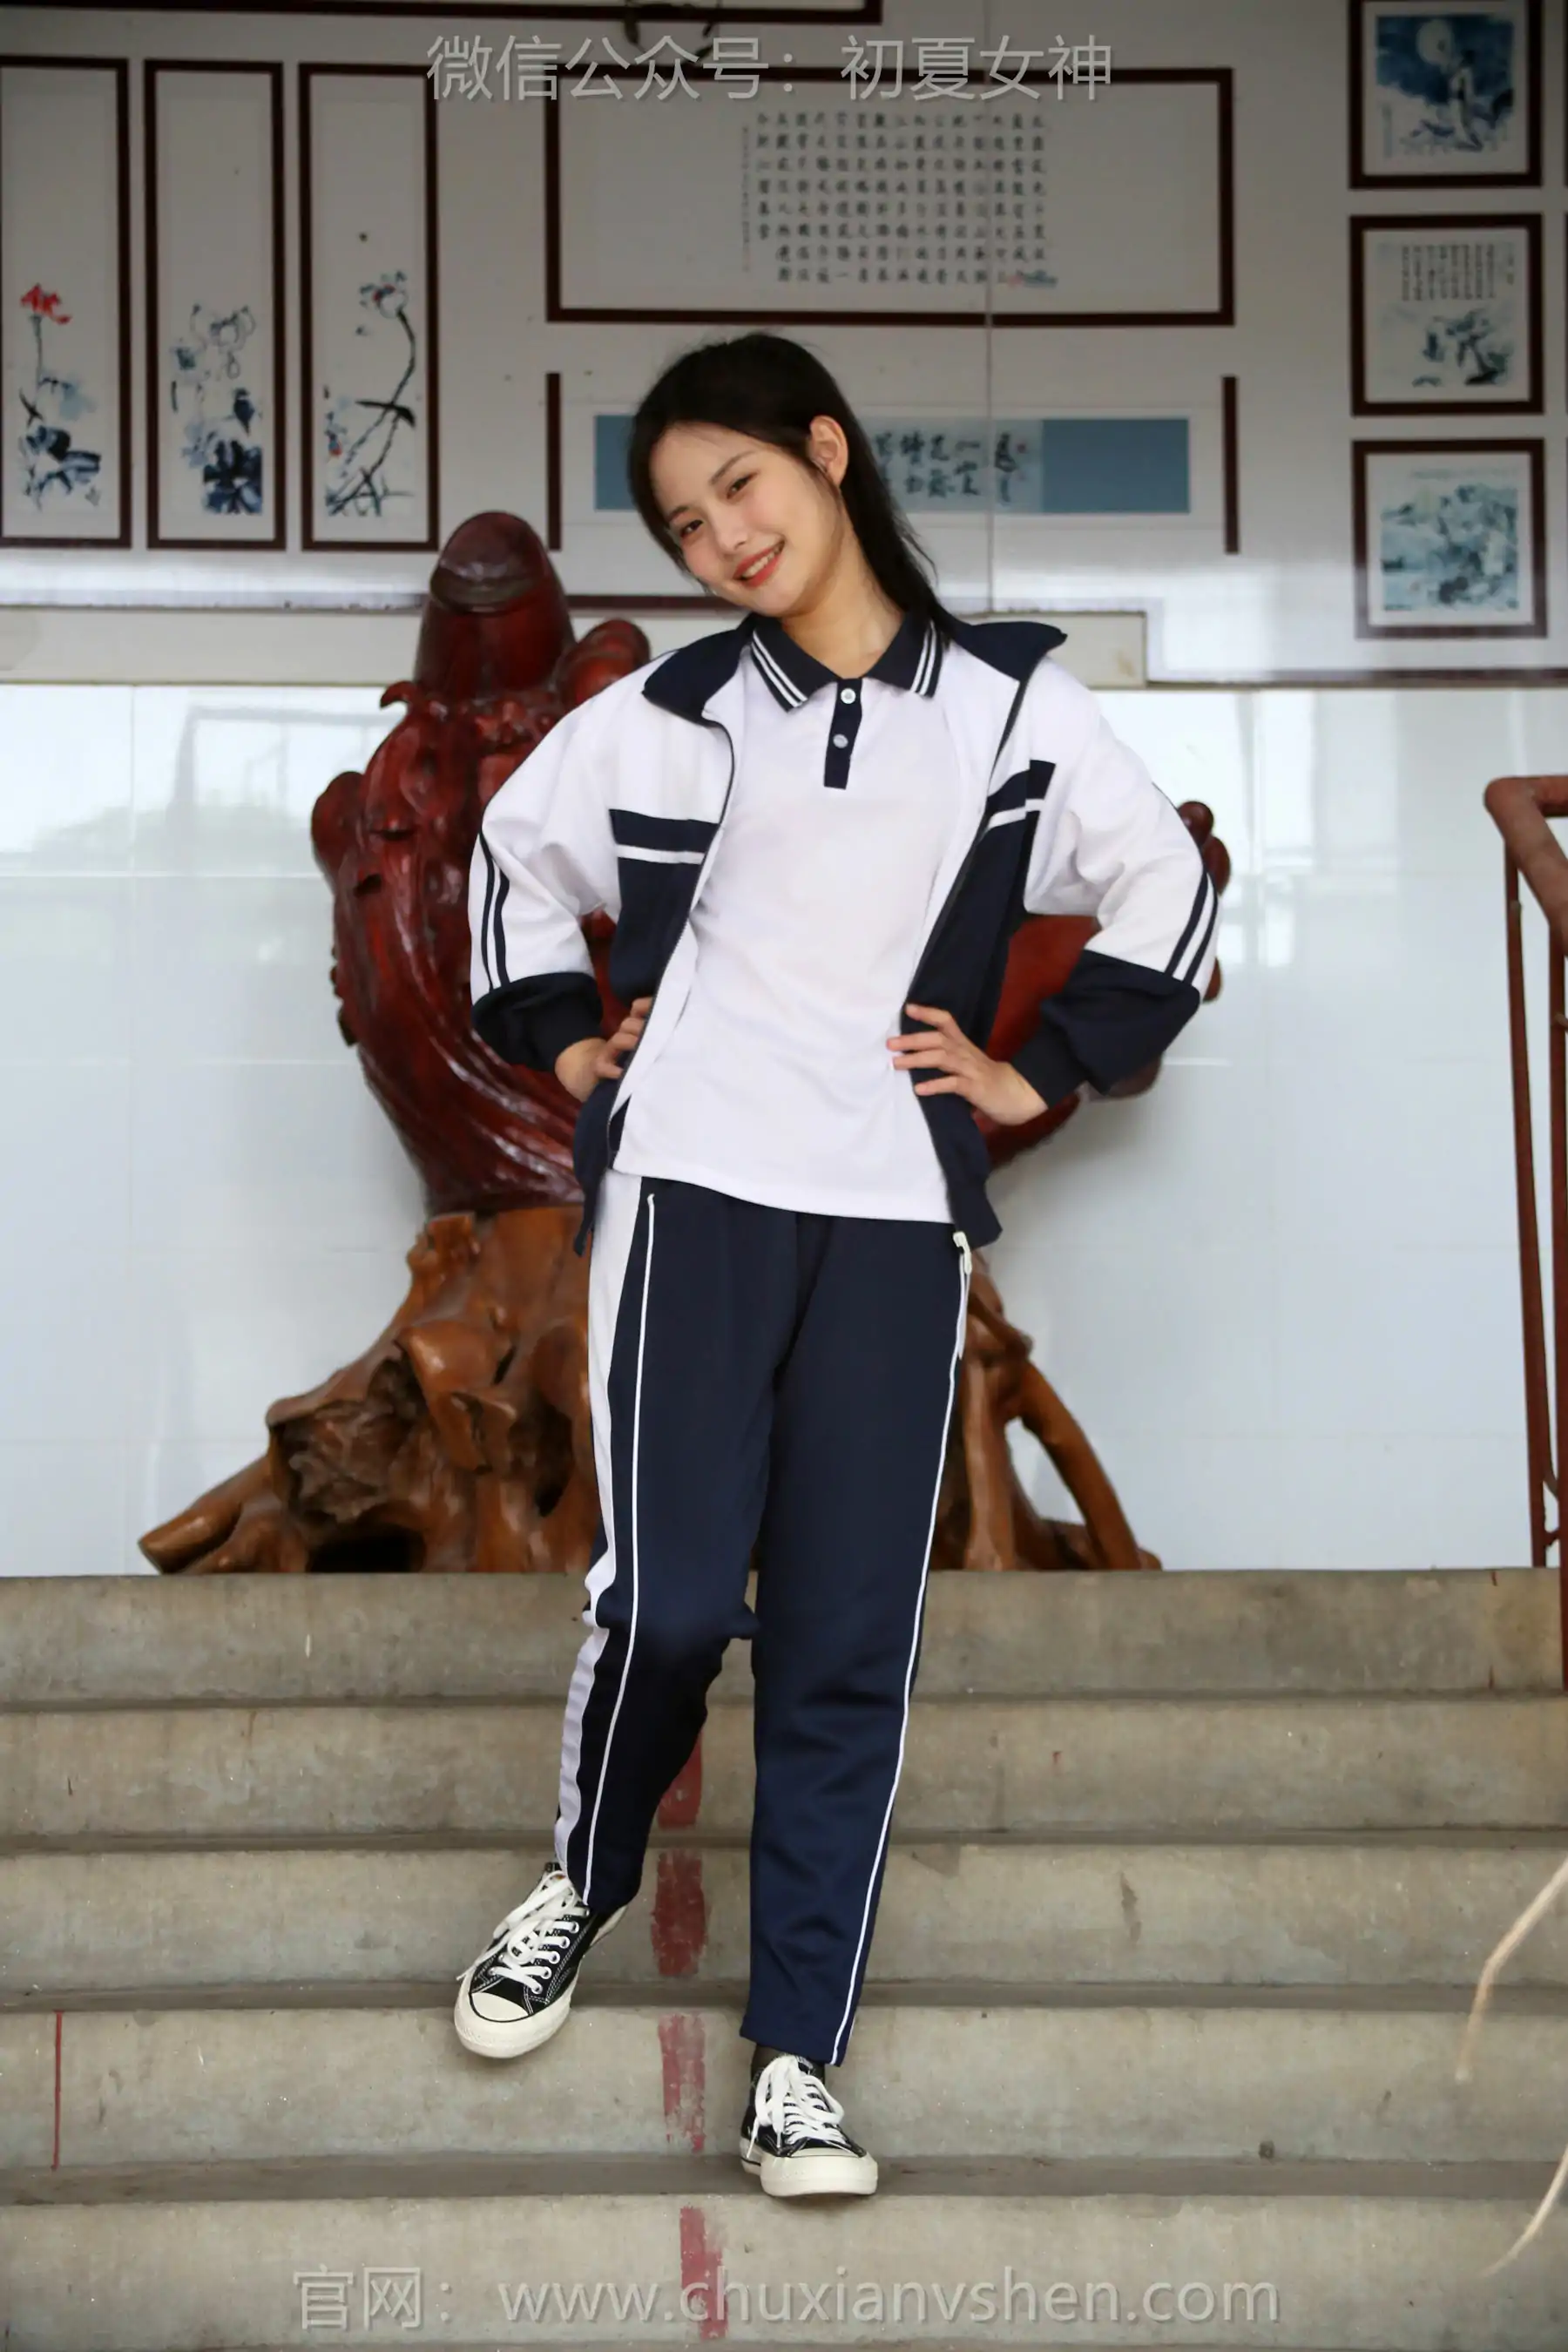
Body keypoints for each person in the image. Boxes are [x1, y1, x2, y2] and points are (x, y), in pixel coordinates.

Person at [455, 330, 1219, 2200]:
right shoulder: (668, 712)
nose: (724, 536)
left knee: (846, 1644)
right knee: (669, 1605)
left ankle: (796, 2055)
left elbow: (1172, 890)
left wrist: (1041, 1069)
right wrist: (574, 1048)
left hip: (889, 1214)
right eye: (682, 522)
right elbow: (509, 864)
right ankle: (582, 1878)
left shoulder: (1012, 706)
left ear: (826, 450)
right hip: (697, 1190)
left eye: (742, 485)